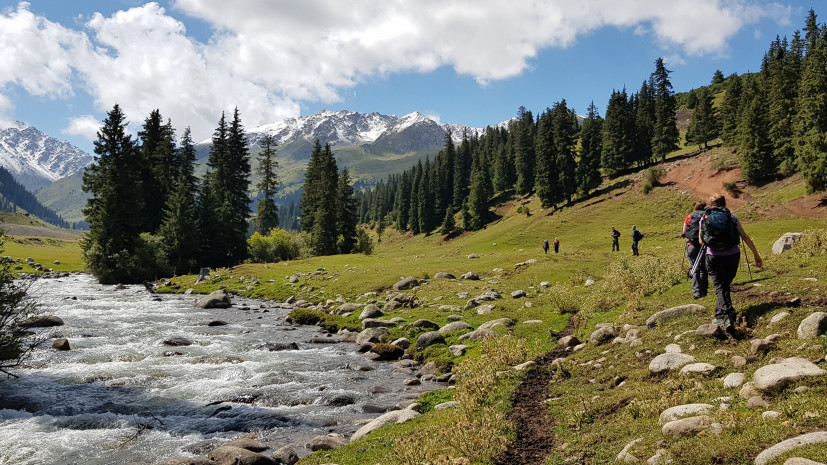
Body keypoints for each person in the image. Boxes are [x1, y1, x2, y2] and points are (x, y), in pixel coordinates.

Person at [699, 193, 763, 339]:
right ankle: (721, 314)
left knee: (720, 287)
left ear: (711, 205)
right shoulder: (732, 218)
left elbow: (702, 241)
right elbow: (744, 236)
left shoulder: (705, 218)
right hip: (732, 256)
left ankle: (728, 317)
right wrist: (756, 255)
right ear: (724, 204)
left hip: (713, 256)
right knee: (724, 286)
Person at [682, 201, 708, 299]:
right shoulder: (706, 215)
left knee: (694, 267)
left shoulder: (689, 216)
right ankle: (704, 290)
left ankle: (696, 292)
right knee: (703, 267)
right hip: (703, 244)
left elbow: (684, 231)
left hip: (691, 244)